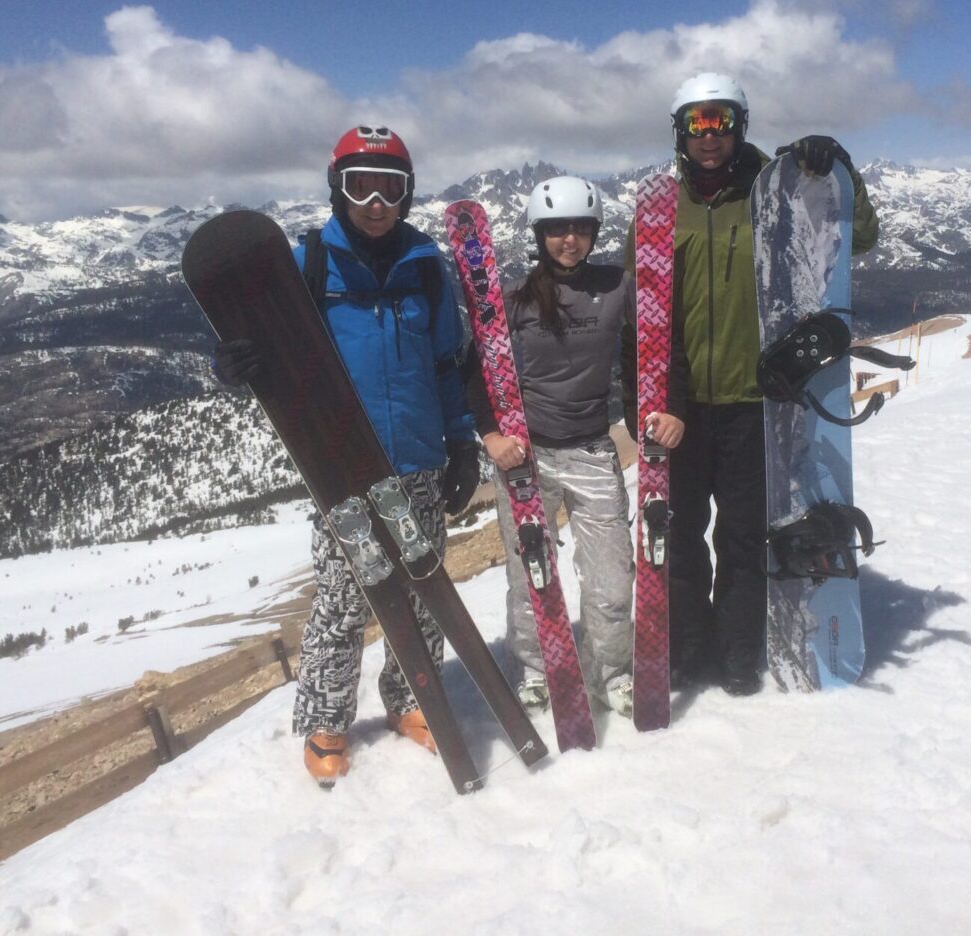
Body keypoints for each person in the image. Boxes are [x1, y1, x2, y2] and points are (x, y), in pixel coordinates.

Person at [212, 124, 482, 786]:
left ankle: (410, 698)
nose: (375, 202)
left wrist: (461, 442)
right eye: (359, 186)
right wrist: (238, 362)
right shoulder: (308, 265)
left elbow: (448, 363)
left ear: (407, 194)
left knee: (424, 592)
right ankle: (327, 720)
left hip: (418, 458)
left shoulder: (425, 268)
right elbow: (270, 348)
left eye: (389, 187)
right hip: (340, 463)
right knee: (343, 598)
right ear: (338, 188)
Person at [631, 72, 879, 696]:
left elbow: (859, 240)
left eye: (720, 121)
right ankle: (688, 650)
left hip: (754, 402)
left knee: (742, 536)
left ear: (740, 124)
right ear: (679, 131)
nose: (709, 136)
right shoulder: (659, 209)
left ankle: (740, 650)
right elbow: (646, 310)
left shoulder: (780, 191)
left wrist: (838, 175)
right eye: (696, 122)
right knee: (680, 536)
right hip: (681, 406)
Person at [470, 175, 685, 718]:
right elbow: (477, 372)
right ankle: (538, 669)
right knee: (530, 575)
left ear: (594, 232)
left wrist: (670, 407)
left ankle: (612, 669)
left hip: (592, 449)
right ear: (539, 235)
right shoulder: (514, 300)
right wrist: (490, 434)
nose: (570, 239)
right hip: (528, 455)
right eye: (557, 229)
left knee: (613, 577)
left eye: (581, 229)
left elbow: (658, 348)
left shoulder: (619, 288)